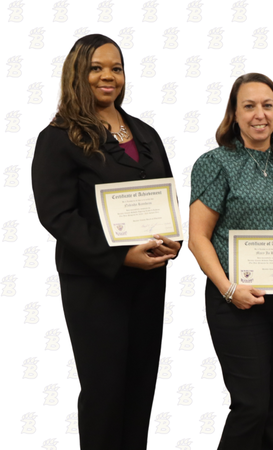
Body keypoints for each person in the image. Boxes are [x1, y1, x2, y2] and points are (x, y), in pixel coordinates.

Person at [31, 34, 180, 450]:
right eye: (97, 67)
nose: (108, 76)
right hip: (96, 284)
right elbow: (57, 215)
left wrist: (172, 242)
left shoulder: (145, 133)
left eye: (116, 67)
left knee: (139, 390)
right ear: (78, 73)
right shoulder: (58, 138)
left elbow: (164, 197)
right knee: (104, 393)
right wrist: (120, 255)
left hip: (149, 281)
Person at [187, 72, 273, 449]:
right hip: (235, 301)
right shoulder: (215, 163)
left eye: (268, 105)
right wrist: (228, 288)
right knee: (250, 405)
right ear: (233, 114)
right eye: (248, 106)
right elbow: (198, 237)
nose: (259, 114)